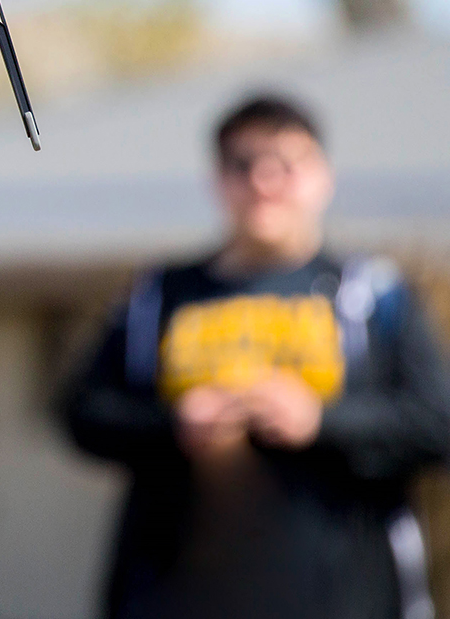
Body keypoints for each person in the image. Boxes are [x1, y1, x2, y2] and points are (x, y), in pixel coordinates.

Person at [62, 94, 450, 619]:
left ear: (322, 177)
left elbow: (435, 424)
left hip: (341, 592)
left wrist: (320, 421)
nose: (264, 181)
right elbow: (82, 412)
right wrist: (176, 423)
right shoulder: (158, 295)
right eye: (243, 165)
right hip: (176, 592)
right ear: (217, 180)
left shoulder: (368, 294)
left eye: (286, 164)